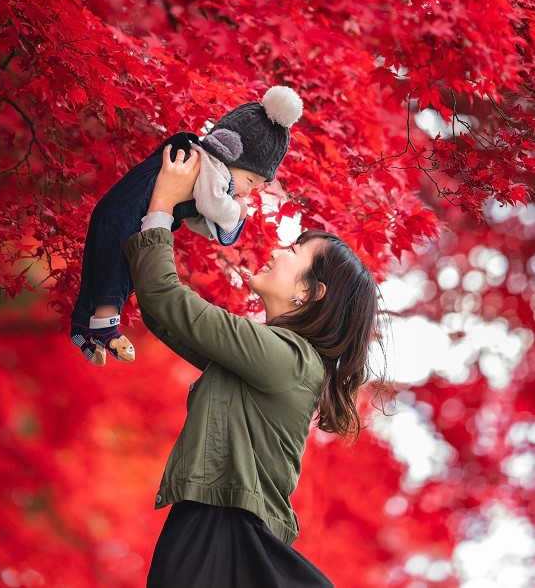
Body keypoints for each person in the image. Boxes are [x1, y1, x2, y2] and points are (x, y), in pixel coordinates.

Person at [124, 145, 381, 587]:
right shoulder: (271, 358)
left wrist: (163, 202)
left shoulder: (288, 359)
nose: (278, 250)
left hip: (219, 531)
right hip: (213, 527)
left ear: (310, 292)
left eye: (294, 251)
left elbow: (164, 298)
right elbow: (164, 315)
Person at [70, 86, 304, 366]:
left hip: (120, 209)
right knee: (118, 269)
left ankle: (82, 325)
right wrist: (238, 211)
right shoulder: (212, 168)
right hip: (125, 215)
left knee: (100, 265)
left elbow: (198, 218)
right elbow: (213, 205)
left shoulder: (201, 165)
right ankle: (105, 325)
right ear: (228, 151)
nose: (247, 192)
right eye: (250, 181)